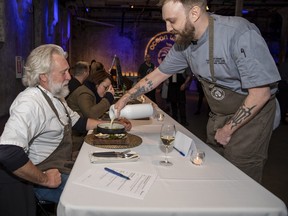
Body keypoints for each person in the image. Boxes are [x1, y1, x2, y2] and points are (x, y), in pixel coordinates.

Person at [114, 0, 281, 183]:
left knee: (240, 175)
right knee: (214, 169)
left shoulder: (238, 33)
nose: (168, 28)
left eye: (172, 20)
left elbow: (261, 93)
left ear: (194, 13)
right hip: (219, 114)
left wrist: (228, 129)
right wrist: (126, 97)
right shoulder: (184, 44)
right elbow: (157, 75)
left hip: (253, 114)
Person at [0, 44, 131, 214]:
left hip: (62, 167)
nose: (69, 77)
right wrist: (45, 179)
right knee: (100, 200)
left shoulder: (56, 98)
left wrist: (115, 125)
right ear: (43, 77)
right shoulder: (29, 102)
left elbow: (80, 123)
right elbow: (7, 150)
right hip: (40, 182)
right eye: (63, 72)